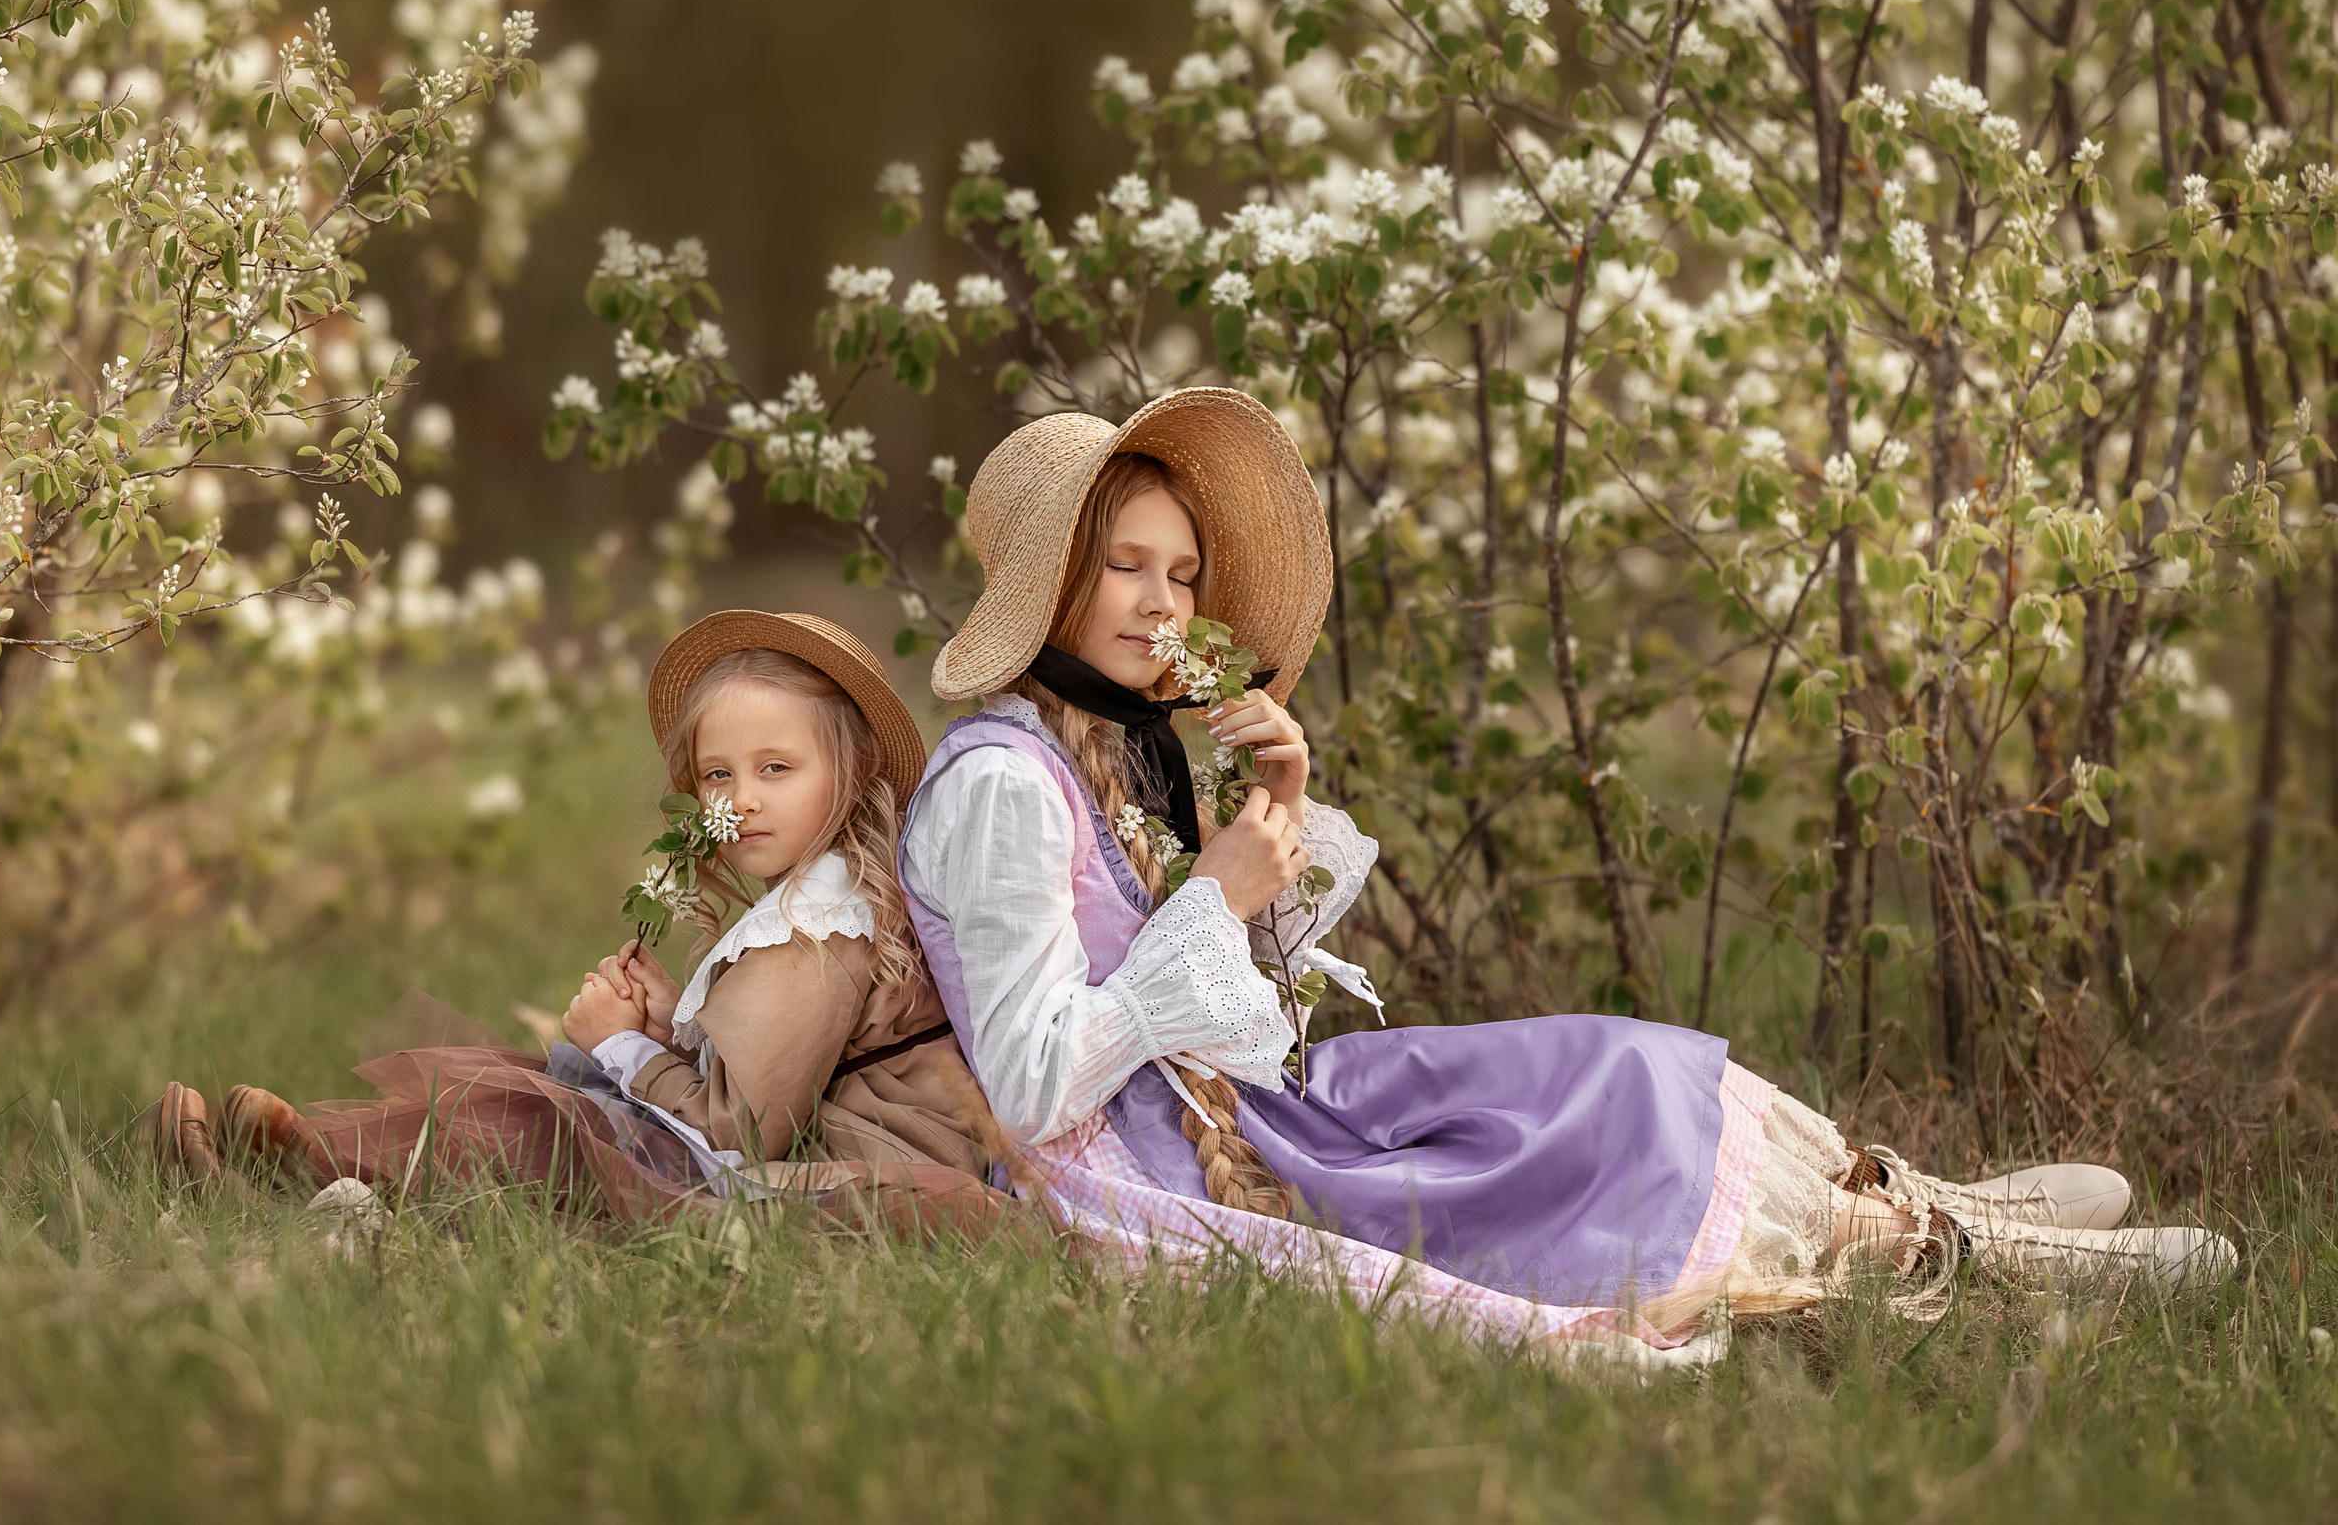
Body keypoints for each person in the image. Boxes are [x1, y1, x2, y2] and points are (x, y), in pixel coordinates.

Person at [896, 388, 2233, 1363]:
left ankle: (1895, 1191)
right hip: (1154, 1172)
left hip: (1236, 1108)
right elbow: (1028, 1080)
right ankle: (1936, 1257)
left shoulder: (1111, 755)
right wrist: (1215, 900)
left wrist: (1281, 812)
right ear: (1050, 583)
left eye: (1181, 573)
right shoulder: (1003, 785)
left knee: (1599, 1066)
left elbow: (1236, 995)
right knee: (1560, 1150)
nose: (1161, 601)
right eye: (1123, 565)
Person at [149, 611, 1007, 1240]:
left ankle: (312, 1176)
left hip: (860, 1185)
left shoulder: (822, 927)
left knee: (565, 1132)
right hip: (789, 1152)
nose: (740, 799)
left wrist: (624, 1050)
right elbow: (768, 1070)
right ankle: (325, 1171)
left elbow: (736, 1134)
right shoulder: (806, 905)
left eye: (776, 768)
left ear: (851, 772)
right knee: (536, 1108)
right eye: (717, 773)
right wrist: (671, 1027)